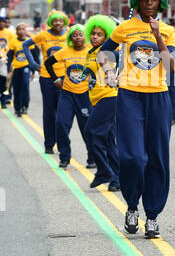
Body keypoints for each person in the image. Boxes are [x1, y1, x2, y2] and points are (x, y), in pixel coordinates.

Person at [97, 0, 175, 239]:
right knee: (132, 157)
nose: (149, 3)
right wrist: (108, 72)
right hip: (129, 94)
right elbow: (103, 52)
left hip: (158, 95)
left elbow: (171, 66)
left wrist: (158, 36)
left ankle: (152, 216)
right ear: (138, 2)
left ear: (160, 2)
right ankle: (132, 206)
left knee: (156, 157)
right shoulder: (125, 28)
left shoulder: (168, 30)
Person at [44, 24, 94, 169]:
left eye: (81, 34)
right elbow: (48, 63)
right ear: (70, 37)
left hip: (85, 96)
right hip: (67, 94)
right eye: (75, 35)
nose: (78, 38)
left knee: (88, 128)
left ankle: (92, 158)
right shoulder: (65, 52)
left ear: (85, 36)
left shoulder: (91, 51)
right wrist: (55, 79)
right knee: (60, 124)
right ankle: (64, 157)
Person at [23, 11, 69, 154]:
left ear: (64, 22)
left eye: (60, 21)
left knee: (62, 113)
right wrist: (33, 64)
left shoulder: (69, 35)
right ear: (50, 22)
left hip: (64, 78)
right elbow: (26, 45)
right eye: (55, 21)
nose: (58, 23)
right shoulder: (43, 35)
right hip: (46, 77)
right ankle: (49, 144)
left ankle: (62, 144)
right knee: (49, 112)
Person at [83, 15, 120, 191]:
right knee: (108, 140)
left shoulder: (106, 53)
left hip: (109, 97)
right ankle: (117, 178)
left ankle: (104, 170)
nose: (94, 37)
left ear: (106, 39)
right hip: (97, 99)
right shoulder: (90, 52)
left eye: (99, 35)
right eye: (93, 34)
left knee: (91, 132)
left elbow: (110, 67)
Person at [7, 23, 39, 117]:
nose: (21, 31)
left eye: (23, 29)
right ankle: (17, 108)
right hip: (15, 67)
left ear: (26, 31)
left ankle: (25, 106)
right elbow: (9, 58)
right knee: (16, 88)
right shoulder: (13, 42)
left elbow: (34, 57)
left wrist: (33, 71)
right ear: (16, 31)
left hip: (26, 67)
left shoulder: (29, 42)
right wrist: (9, 71)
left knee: (25, 86)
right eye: (19, 29)